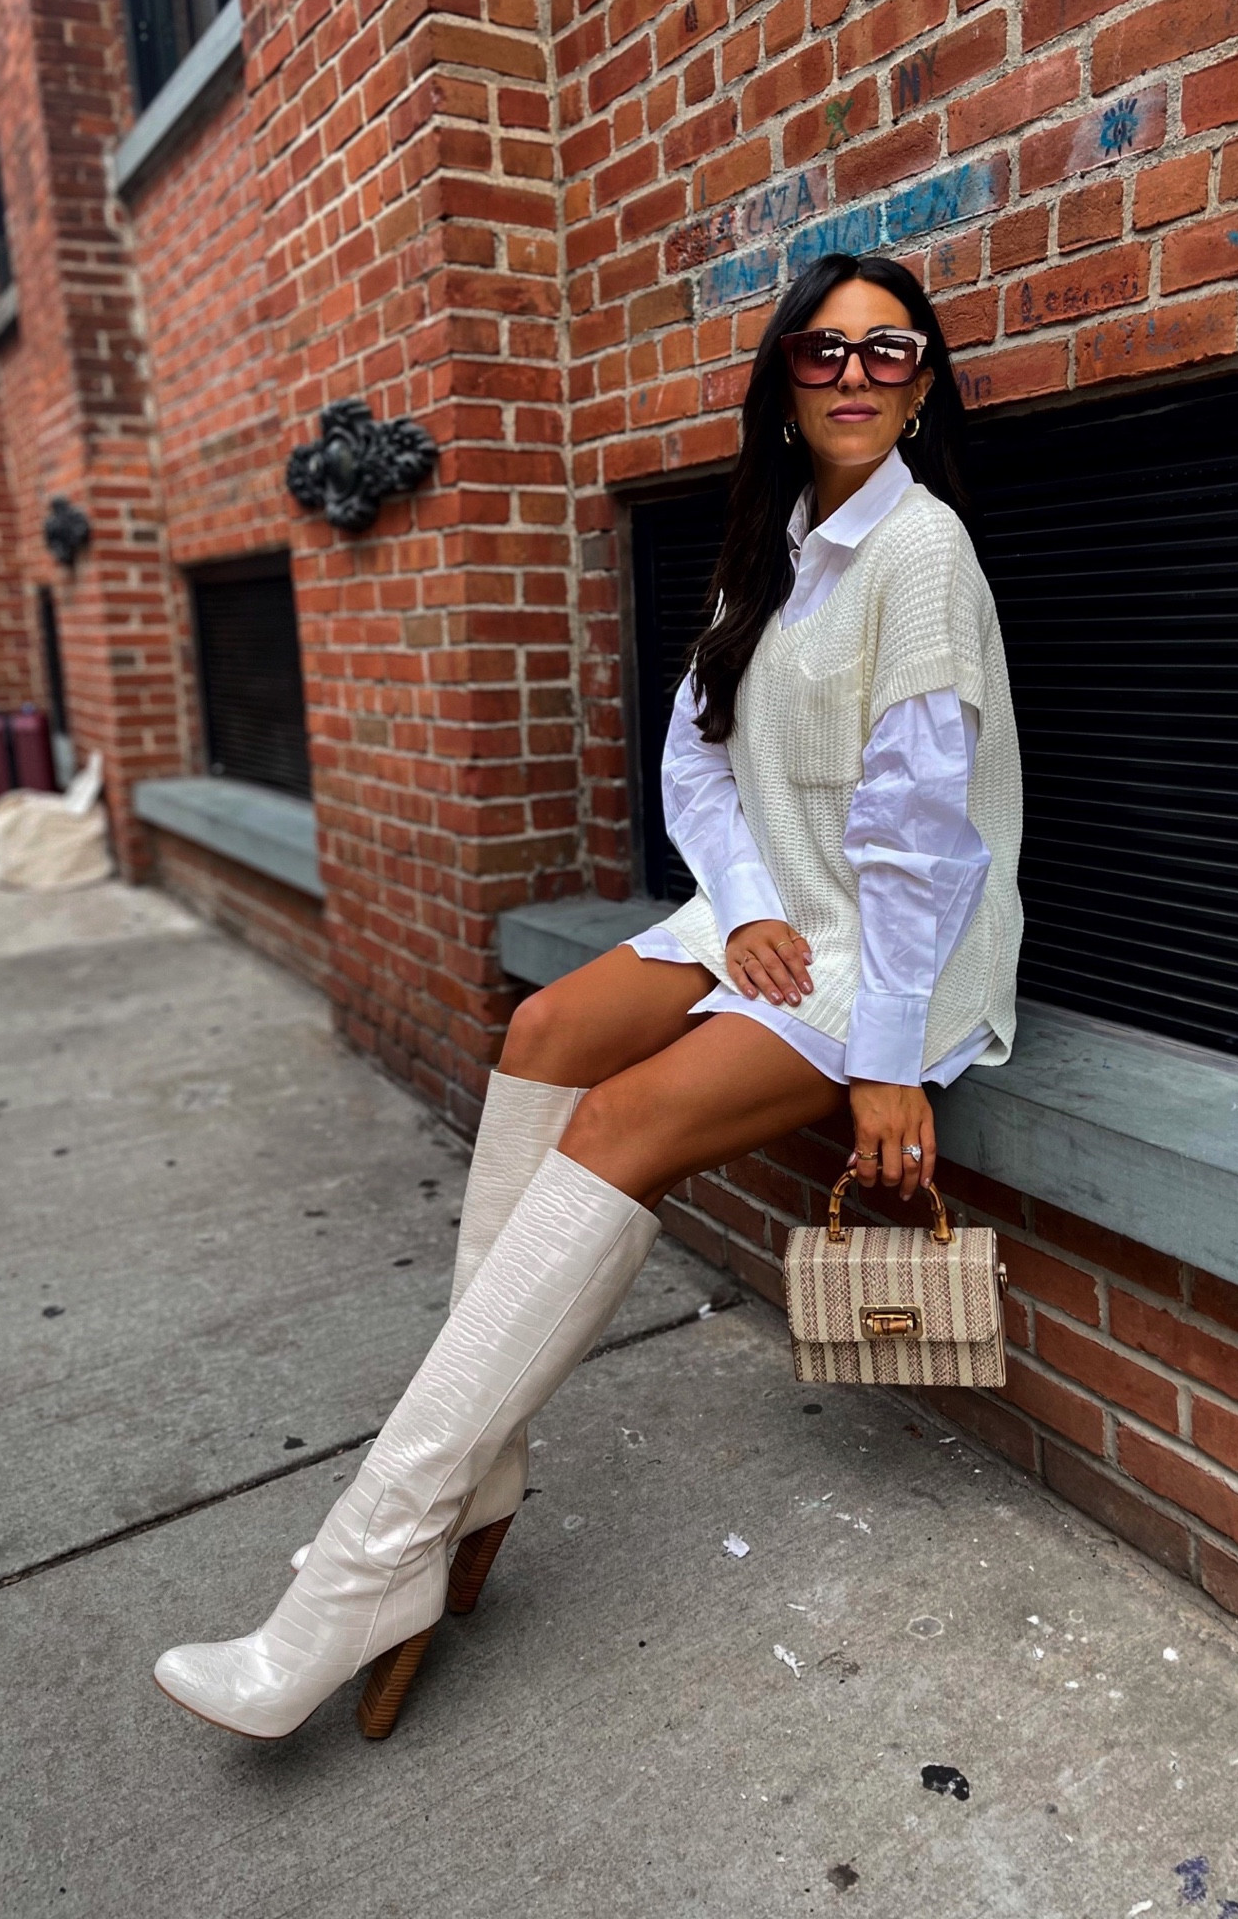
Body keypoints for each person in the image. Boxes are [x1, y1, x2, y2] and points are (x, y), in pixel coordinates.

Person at [152, 250, 1024, 1741]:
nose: (860, 377)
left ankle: (365, 1571)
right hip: (780, 914)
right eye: (826, 352)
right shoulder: (775, 538)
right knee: (543, 1033)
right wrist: (744, 911)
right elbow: (695, 755)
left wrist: (888, 1065)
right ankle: (475, 1476)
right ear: (784, 383)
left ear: (925, 385)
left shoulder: (921, 554)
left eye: (893, 354)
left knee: (613, 1123)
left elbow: (924, 843)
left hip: (888, 951)